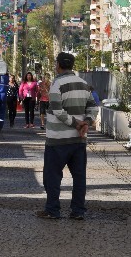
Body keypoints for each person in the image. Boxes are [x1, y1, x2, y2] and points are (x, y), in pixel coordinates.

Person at [36, 52, 99, 220]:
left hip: (57, 139)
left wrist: (76, 123)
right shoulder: (84, 83)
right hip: (79, 140)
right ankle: (78, 211)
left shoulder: (57, 84)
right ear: (71, 65)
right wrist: (86, 122)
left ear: (58, 65)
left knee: (52, 176)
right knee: (79, 177)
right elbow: (93, 107)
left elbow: (57, 109)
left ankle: (52, 210)